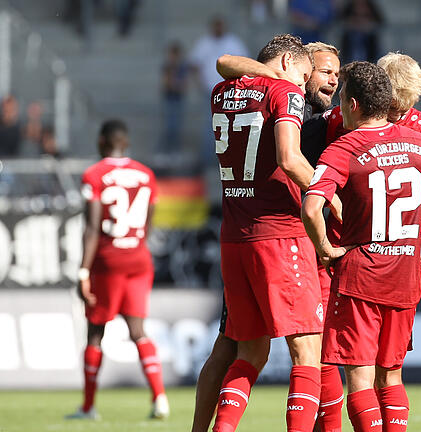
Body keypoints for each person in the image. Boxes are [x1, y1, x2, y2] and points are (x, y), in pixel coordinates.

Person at [302, 60, 421, 432]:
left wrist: (326, 248)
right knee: (391, 377)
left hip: (361, 274)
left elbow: (311, 206)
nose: (339, 105)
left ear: (355, 104)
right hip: (404, 274)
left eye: (343, 98)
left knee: (360, 379)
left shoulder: (344, 147)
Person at [191, 41, 343, 432]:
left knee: (249, 350)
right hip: (280, 233)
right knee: (308, 352)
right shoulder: (285, 91)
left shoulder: (221, 92)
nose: (307, 83)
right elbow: (290, 158)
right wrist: (330, 195)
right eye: (308, 74)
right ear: (289, 62)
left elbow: (224, 64)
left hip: (235, 237)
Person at [69, 119, 169, 420]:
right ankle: (160, 398)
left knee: (96, 332)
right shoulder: (145, 174)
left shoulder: (95, 174)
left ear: (101, 142)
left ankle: (88, 407)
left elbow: (92, 228)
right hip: (138, 257)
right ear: (125, 143)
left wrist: (83, 272)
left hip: (108, 261)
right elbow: (149, 221)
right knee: (138, 330)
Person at [189, 16, 249, 167]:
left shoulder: (233, 42)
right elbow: (194, 65)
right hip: (210, 92)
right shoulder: (204, 43)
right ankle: (210, 159)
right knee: (210, 126)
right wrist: (199, 84)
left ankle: (230, 158)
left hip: (230, 92)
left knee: (231, 125)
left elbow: (246, 64)